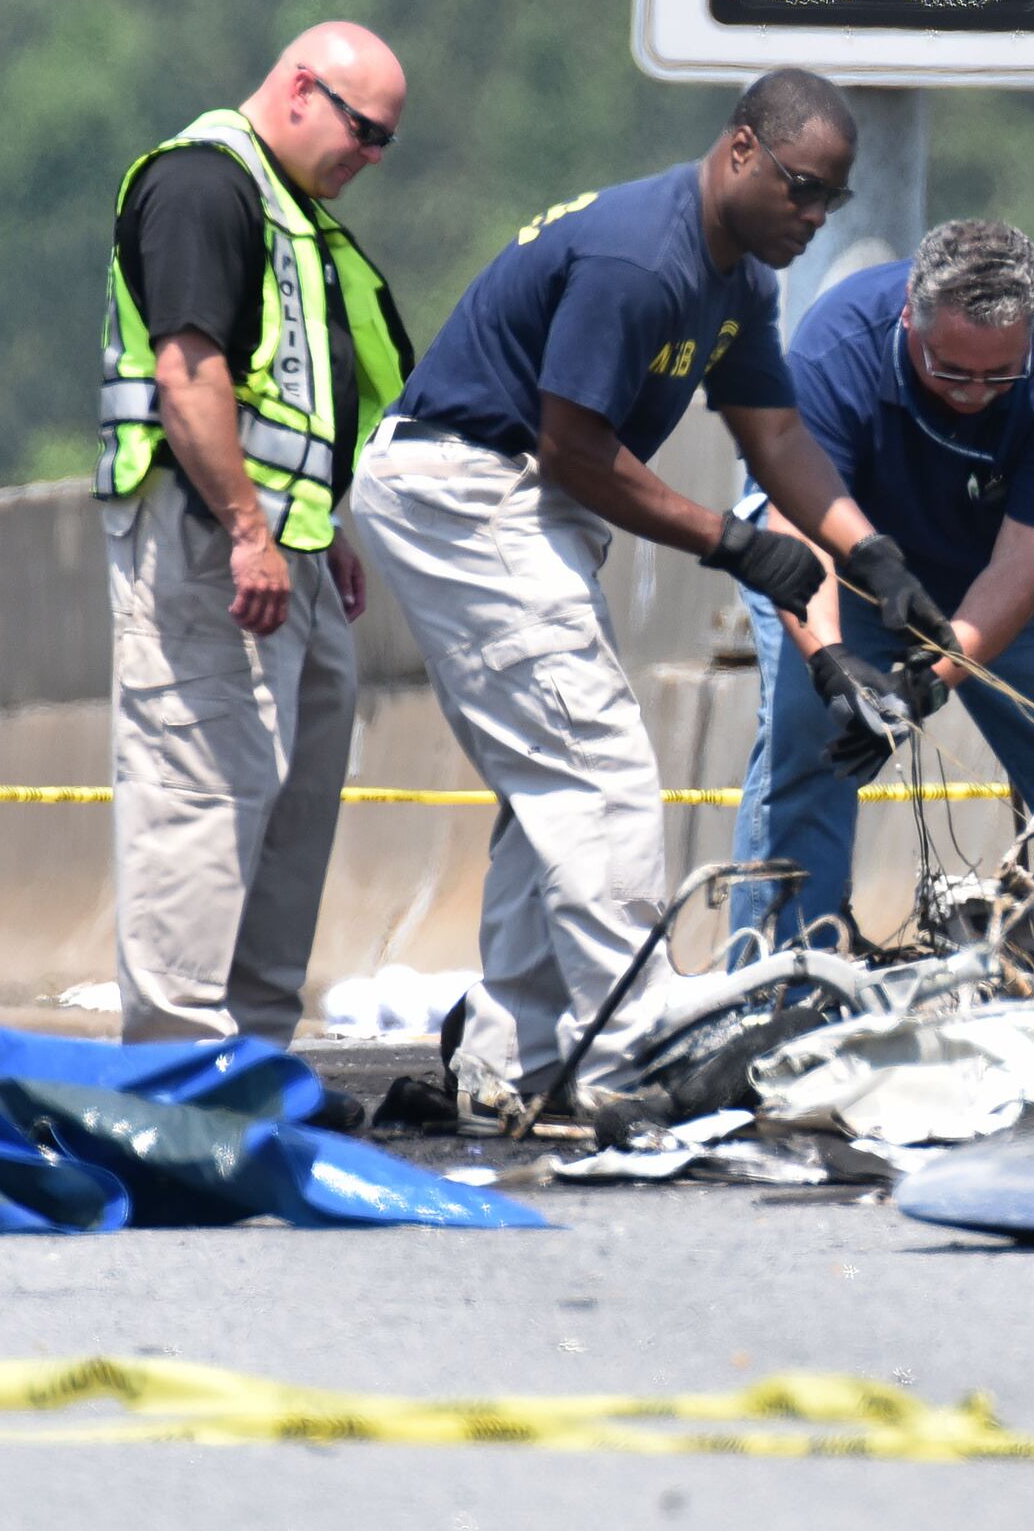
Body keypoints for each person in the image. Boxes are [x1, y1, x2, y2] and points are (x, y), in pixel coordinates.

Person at [350, 67, 953, 1120]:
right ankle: (629, 1047)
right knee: (600, 771)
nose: (813, 218)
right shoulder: (643, 258)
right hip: (467, 484)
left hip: (522, 500)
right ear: (740, 152)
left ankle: (512, 1054)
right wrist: (731, 544)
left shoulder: (740, 281)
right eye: (801, 188)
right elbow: (573, 451)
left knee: (550, 786)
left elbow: (774, 434)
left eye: (833, 202)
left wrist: (871, 555)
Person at [729, 217, 1034, 975]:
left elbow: (1029, 560)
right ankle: (778, 990)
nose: (975, 396)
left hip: (999, 559)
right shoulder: (836, 346)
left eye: (1000, 377)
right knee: (806, 741)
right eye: (951, 372)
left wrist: (931, 680)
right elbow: (797, 534)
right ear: (908, 323)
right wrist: (830, 663)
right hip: (843, 557)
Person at [95, 20, 416, 1044]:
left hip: (290, 555)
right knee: (200, 799)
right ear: (298, 90)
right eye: (363, 131)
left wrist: (323, 533)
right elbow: (190, 375)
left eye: (385, 143)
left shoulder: (292, 214)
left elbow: (302, 409)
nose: (370, 158)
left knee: (289, 813)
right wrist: (248, 529)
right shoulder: (205, 185)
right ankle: (181, 1065)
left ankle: (256, 1057)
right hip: (208, 553)